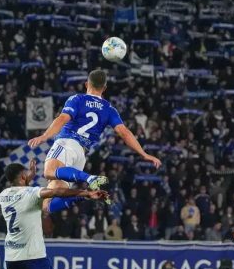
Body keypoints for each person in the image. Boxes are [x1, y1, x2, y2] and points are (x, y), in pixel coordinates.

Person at [28, 69, 161, 207]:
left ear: (87, 84)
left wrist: (45, 136)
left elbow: (62, 119)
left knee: (49, 172)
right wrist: (143, 154)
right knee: (48, 203)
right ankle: (86, 195)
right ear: (104, 88)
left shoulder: (77, 99)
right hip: (81, 155)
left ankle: (90, 178)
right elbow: (125, 133)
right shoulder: (109, 109)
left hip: (67, 143)